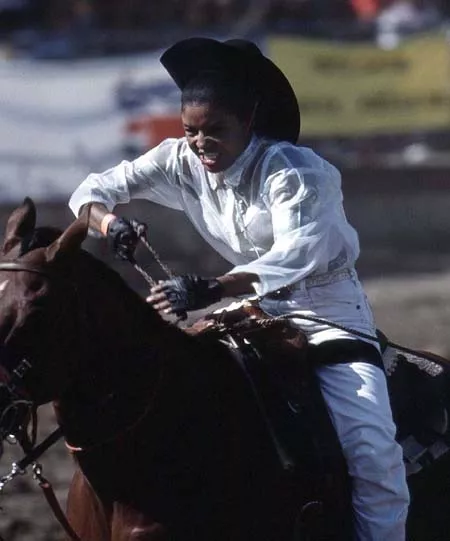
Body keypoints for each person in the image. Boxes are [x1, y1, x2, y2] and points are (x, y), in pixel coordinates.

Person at [69, 37, 409, 539]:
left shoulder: (299, 172)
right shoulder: (179, 158)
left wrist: (211, 287)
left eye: (215, 131)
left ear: (249, 121)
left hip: (330, 314)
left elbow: (297, 256)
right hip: (251, 305)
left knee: (373, 453)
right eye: (190, 130)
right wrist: (108, 225)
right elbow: (90, 190)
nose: (201, 143)